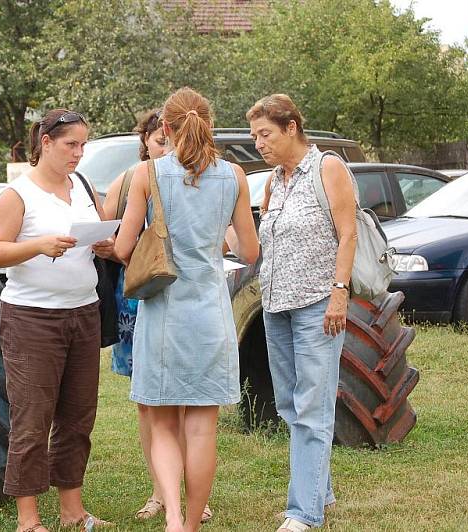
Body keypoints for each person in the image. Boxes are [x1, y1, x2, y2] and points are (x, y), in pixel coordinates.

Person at [115, 87, 259, 532]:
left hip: (163, 315)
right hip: (210, 316)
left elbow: (123, 247)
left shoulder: (147, 174)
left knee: (162, 425)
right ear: (209, 125)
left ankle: (173, 519)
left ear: (166, 128)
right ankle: (193, 525)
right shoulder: (234, 176)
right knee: (202, 429)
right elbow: (250, 250)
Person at [0, 108, 115, 532]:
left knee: (78, 416)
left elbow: (98, 236)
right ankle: (28, 520)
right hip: (32, 318)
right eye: (70, 145)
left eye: (83, 145)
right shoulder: (17, 195)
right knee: (33, 418)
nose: (78, 153)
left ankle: (73, 512)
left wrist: (104, 246)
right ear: (46, 143)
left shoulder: (81, 186)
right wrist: (38, 245)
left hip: (83, 310)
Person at [247, 94, 357, 532]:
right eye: (255, 135)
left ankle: (302, 512)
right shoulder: (274, 181)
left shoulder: (327, 168)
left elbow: (347, 235)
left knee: (312, 406)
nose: (259, 143)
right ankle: (319, 492)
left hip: (318, 305)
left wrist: (339, 292)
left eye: (265, 133)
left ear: (291, 127)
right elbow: (264, 244)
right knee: (289, 404)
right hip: (275, 306)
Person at [103, 108, 213, 524]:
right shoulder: (132, 178)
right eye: (157, 140)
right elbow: (111, 232)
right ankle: (160, 492)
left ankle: (186, 496)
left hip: (173, 296)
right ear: (147, 140)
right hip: (141, 293)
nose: (163, 146)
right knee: (149, 405)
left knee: (178, 404)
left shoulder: (187, 174)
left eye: (165, 138)